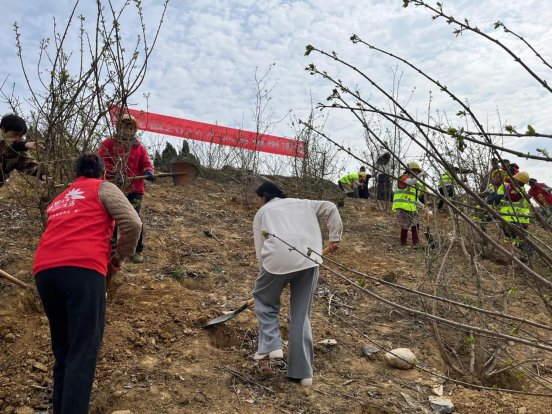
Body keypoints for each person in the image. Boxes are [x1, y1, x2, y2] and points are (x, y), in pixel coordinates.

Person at [33, 154, 141, 414]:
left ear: (76, 175)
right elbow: (132, 223)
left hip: (44, 272)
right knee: (83, 350)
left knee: (64, 349)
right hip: (82, 270)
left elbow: (55, 230)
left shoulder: (60, 198)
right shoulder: (103, 188)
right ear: (103, 173)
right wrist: (118, 256)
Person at [252, 181, 342, 387]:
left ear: (264, 195)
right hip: (310, 258)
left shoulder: (263, 212)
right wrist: (334, 237)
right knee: (302, 315)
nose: (257, 203)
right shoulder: (304, 203)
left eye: (257, 198)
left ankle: (272, 346)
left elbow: (260, 247)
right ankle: (303, 374)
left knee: (264, 300)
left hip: (277, 259)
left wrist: (266, 273)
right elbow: (330, 207)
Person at [98, 113, 154, 263]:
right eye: (125, 126)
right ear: (119, 127)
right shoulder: (109, 143)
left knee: (135, 218)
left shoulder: (139, 147)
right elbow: (102, 160)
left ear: (134, 130)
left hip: (135, 189)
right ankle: (111, 249)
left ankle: (137, 250)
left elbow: (146, 163)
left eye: (131, 127)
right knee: (113, 217)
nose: (128, 129)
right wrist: (115, 172)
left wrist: (148, 171)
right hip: (114, 187)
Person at [0, 113, 46, 188]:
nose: (17, 138)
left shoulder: (17, 151)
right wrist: (24, 144)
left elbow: (28, 164)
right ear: (3, 128)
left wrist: (43, 175)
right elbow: (7, 143)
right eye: (14, 134)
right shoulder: (15, 145)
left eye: (20, 136)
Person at [499, 171, 531, 261]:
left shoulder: (520, 192)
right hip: (513, 219)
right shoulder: (507, 187)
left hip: (515, 219)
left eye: (522, 183)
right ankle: (521, 256)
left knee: (516, 240)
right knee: (515, 240)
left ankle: (524, 257)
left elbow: (525, 206)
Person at [392, 161, 425, 247]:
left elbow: (414, 199)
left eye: (418, 173)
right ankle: (403, 242)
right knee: (405, 225)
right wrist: (420, 175)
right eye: (416, 172)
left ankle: (416, 243)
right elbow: (410, 182)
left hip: (411, 208)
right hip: (402, 207)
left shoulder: (414, 184)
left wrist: (421, 205)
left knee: (416, 224)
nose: (417, 174)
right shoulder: (403, 178)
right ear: (411, 171)